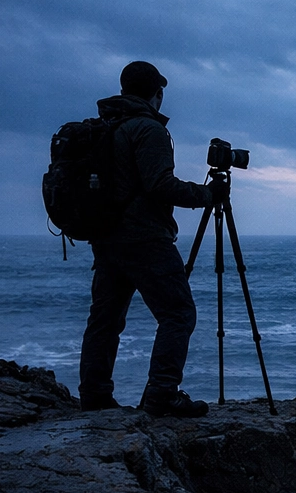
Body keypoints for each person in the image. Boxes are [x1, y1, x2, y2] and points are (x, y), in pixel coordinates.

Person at [77, 60, 226, 416]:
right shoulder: (148, 129)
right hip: (144, 238)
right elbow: (160, 185)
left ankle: (94, 396)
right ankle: (162, 393)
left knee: (105, 320)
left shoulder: (107, 126)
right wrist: (208, 195)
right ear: (156, 94)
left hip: (107, 237)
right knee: (178, 313)